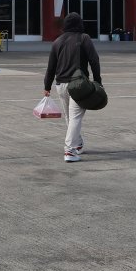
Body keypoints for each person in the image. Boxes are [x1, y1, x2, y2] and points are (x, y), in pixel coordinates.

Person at [44, 12, 102, 164]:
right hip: (78, 85)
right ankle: (70, 150)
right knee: (75, 117)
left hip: (60, 85)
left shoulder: (57, 41)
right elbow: (94, 60)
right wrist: (98, 81)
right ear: (79, 24)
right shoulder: (84, 38)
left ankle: (78, 143)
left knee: (70, 117)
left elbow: (51, 67)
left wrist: (47, 86)